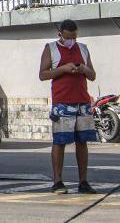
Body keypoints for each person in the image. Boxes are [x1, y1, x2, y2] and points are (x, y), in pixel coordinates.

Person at [38, 19, 97, 195]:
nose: (71, 40)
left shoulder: (84, 49)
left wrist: (84, 70)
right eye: (68, 37)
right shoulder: (51, 48)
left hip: (82, 103)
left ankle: (83, 181)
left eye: (74, 37)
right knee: (60, 142)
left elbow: (93, 75)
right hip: (62, 103)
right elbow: (42, 74)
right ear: (60, 35)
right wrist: (63, 69)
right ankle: (57, 182)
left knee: (82, 142)